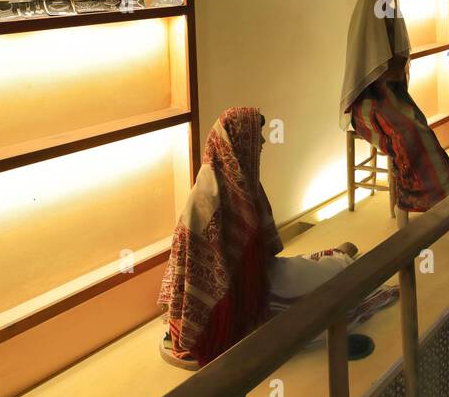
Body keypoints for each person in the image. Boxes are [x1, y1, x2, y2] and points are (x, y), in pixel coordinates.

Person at [158, 107, 397, 369]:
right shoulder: (206, 204)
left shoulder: (239, 181)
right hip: (242, 297)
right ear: (239, 143)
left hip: (258, 280)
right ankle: (338, 259)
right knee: (332, 277)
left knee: (322, 266)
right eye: (256, 136)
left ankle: (337, 257)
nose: (262, 142)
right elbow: (209, 289)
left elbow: (261, 252)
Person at [341, 0, 449, 237]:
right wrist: (388, 69)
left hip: (393, 95)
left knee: (423, 132)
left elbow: (398, 59)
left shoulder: (392, 15)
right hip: (367, 102)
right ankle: (414, 211)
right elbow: (362, 75)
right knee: (407, 135)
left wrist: (395, 68)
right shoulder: (363, 20)